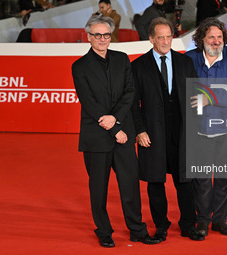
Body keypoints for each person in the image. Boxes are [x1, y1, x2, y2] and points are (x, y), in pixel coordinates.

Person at [71, 16, 160, 248]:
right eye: (97, 35)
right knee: (98, 188)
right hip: (96, 137)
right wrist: (114, 129)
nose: (102, 39)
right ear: (88, 37)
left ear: (111, 36)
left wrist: (117, 122)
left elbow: (129, 93)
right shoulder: (79, 66)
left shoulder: (122, 60)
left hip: (123, 134)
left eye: (106, 35)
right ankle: (103, 231)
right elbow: (89, 103)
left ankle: (137, 229)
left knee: (130, 185)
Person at [131, 17, 205, 242]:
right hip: (152, 133)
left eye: (168, 36)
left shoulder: (185, 63)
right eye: (160, 37)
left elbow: (195, 96)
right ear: (151, 38)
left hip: (182, 132)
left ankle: (188, 225)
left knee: (185, 180)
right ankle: (161, 226)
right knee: (155, 182)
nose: (165, 41)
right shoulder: (137, 66)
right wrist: (139, 131)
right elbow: (133, 103)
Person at [185, 17, 227, 236]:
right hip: (199, 129)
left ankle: (220, 219)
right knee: (201, 178)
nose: (216, 41)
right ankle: (202, 220)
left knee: (224, 177)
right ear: (201, 38)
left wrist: (208, 97)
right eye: (211, 36)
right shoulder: (189, 59)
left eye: (219, 37)